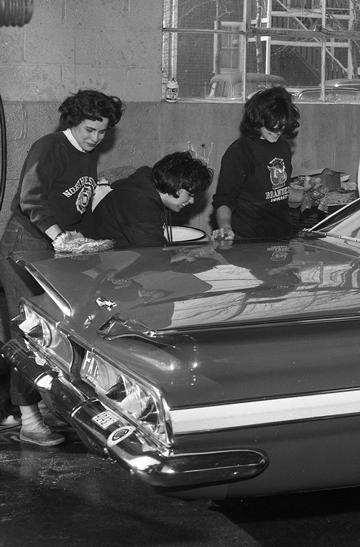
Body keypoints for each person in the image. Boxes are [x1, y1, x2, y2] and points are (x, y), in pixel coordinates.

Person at [0, 89, 124, 446]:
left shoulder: (88, 153)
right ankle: (28, 419)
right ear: (72, 122)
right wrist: (60, 237)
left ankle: (41, 405)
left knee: (58, 332)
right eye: (89, 129)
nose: (95, 138)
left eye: (102, 132)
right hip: (27, 243)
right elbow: (31, 197)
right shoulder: (50, 147)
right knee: (30, 334)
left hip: (55, 245)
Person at [212, 86, 300, 241]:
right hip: (248, 238)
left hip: (281, 236)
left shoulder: (283, 146)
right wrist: (225, 227)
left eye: (282, 124)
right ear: (258, 120)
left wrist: (312, 196)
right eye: (271, 125)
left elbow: (280, 190)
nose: (277, 131)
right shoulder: (239, 152)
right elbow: (224, 199)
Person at [90, 151, 213, 248]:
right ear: (176, 186)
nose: (191, 201)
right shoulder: (136, 202)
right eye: (190, 194)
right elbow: (154, 253)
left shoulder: (148, 190)